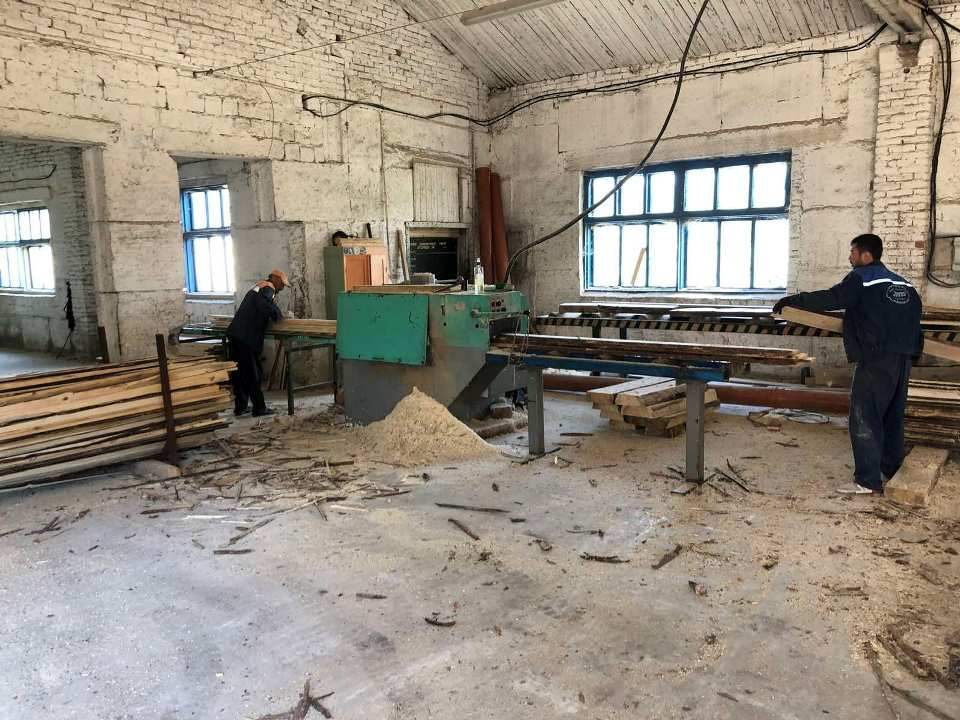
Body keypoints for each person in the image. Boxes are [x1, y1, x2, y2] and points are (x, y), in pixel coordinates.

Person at [773, 234, 922, 495]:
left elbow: (832, 298)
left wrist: (793, 300)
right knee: (892, 416)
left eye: (852, 252)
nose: (849, 257)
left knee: (865, 416)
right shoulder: (905, 284)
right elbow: (916, 318)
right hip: (903, 358)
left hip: (876, 359)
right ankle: (891, 468)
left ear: (866, 255)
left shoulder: (862, 278)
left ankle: (867, 481)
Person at [227, 269, 290, 417]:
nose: (282, 288)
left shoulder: (259, 286)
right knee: (253, 373)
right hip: (247, 337)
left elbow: (260, 304)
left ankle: (241, 407)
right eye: (282, 284)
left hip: (236, 334)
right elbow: (264, 305)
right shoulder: (268, 288)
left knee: (239, 373)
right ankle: (259, 408)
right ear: (275, 279)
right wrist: (278, 316)